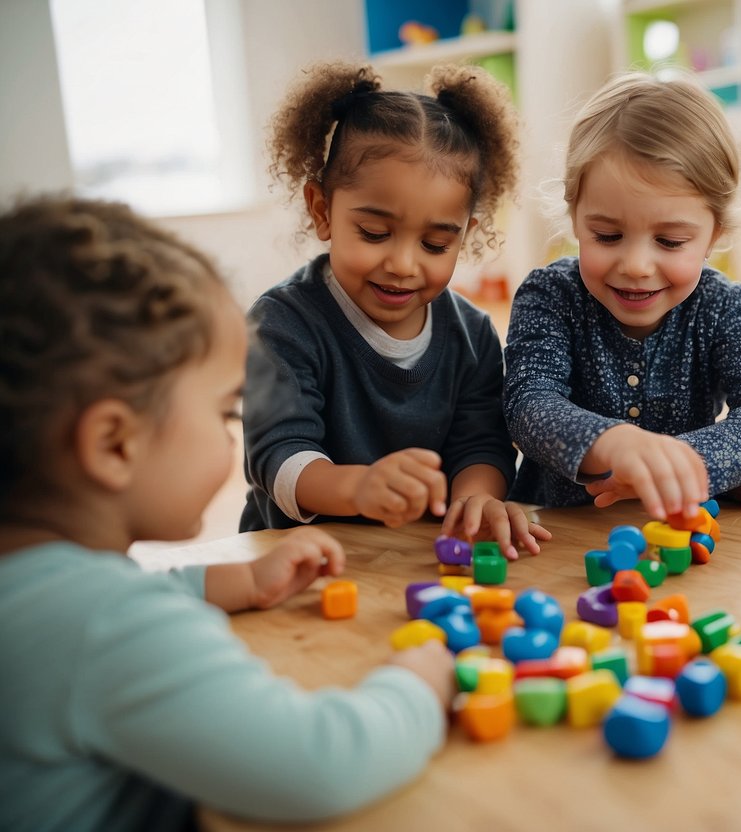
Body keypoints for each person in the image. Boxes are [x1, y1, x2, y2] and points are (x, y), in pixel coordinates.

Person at [0, 196, 456, 828]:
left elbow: (114, 605)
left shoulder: (38, 592)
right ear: (114, 444)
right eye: (223, 413)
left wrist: (229, 582)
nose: (231, 433)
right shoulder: (107, 627)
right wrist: (416, 683)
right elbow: (320, 764)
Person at [243, 61, 548, 559]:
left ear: (464, 237)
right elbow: (279, 458)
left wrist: (476, 499)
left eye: (433, 244)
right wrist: (358, 489)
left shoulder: (472, 333)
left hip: (416, 562)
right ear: (322, 210)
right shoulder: (282, 323)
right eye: (375, 234)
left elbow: (482, 445)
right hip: (294, 563)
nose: (403, 264)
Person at [502, 71, 741, 519]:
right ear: (575, 217)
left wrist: (688, 462)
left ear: (714, 235)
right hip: (553, 533)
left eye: (669, 242)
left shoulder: (721, 305)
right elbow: (528, 404)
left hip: (674, 537)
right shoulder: (550, 295)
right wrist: (612, 443)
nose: (636, 265)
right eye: (607, 235)